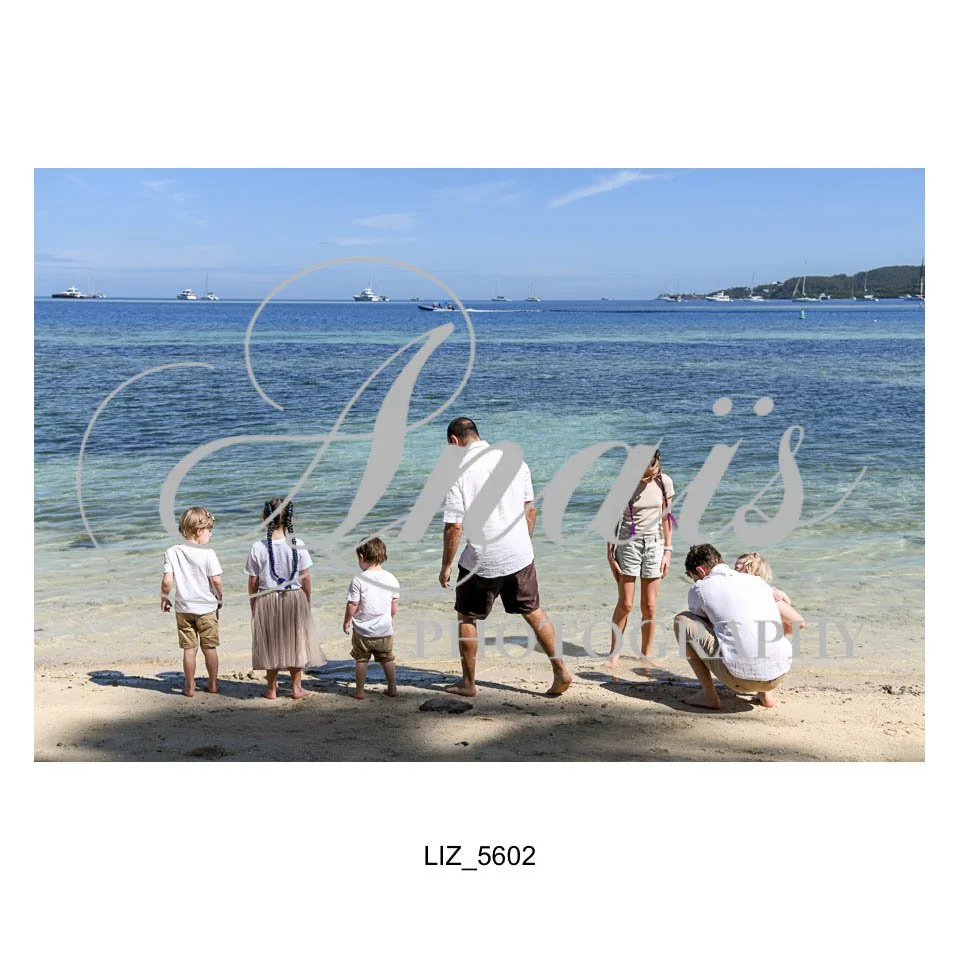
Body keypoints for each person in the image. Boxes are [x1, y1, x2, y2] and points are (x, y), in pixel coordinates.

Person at [439, 417, 572, 697]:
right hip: (519, 553)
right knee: (533, 611)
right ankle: (561, 670)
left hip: (482, 559)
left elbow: (454, 526)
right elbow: (530, 509)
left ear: (454, 441)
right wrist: (523, 542)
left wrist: (446, 565)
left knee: (467, 617)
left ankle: (468, 683)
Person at [674, 544, 794, 710]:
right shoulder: (757, 581)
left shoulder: (700, 588)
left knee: (682, 620)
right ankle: (766, 694)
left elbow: (704, 624)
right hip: (778, 675)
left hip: (738, 679)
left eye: (695, 577)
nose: (696, 581)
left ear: (700, 571)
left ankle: (708, 695)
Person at [245, 498, 326, 700]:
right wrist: (306, 600)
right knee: (296, 642)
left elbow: (253, 581)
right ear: (290, 518)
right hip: (294, 597)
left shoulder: (257, 547)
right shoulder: (298, 544)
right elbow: (305, 578)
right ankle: (296, 688)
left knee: (271, 643)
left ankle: (271, 689)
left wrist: (253, 603)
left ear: (265, 518)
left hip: (266, 598)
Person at [606, 448, 675, 668]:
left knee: (650, 606)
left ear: (657, 463)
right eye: (643, 473)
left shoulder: (664, 482)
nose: (648, 477)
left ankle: (646, 654)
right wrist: (610, 555)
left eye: (651, 471)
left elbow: (666, 519)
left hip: (655, 543)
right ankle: (614, 654)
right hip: (628, 543)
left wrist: (668, 551)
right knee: (626, 604)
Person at [161, 507, 223, 697]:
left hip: (183, 609)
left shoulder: (172, 552)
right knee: (209, 648)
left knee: (189, 649)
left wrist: (164, 597)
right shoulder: (208, 553)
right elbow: (216, 581)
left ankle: (189, 687)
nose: (211, 534)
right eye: (209, 530)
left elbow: (167, 581)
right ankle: (213, 684)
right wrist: (219, 597)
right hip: (206, 608)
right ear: (199, 531)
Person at [343, 537, 400, 700]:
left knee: (361, 660)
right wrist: (391, 617)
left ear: (362, 556)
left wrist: (347, 620)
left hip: (362, 631)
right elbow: (394, 602)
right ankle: (392, 688)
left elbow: (353, 604)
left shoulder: (359, 579)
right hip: (384, 630)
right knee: (387, 659)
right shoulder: (391, 578)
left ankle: (360, 691)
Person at [734, 552, 806, 637]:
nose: (733, 571)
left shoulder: (766, 593)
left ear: (751, 571)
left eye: (737, 568)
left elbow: (799, 623)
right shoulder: (766, 593)